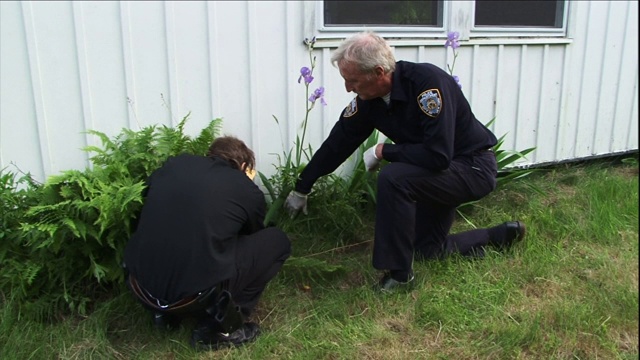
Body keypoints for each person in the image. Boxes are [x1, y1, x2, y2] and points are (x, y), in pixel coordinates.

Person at [284, 31, 525, 293]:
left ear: (378, 72)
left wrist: (383, 151)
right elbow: (336, 144)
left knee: (394, 177)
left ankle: (399, 276)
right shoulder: (370, 101)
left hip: (472, 167)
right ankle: (496, 237)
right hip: (436, 175)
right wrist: (302, 187)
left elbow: (438, 155)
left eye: (352, 80)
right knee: (427, 250)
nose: (348, 88)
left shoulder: (427, 85)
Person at [124, 135, 291, 350]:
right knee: (277, 241)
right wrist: (245, 184)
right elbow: (251, 234)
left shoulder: (176, 164)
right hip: (194, 296)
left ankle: (163, 316)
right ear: (243, 166)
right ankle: (220, 328)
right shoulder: (246, 188)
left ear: (210, 155)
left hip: (140, 285)